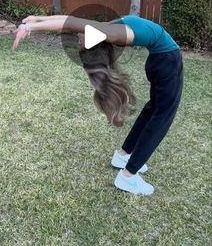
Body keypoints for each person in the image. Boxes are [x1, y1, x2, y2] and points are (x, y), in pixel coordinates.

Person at [12, 14, 183, 195]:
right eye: (82, 40)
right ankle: (128, 176)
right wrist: (30, 27)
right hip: (167, 61)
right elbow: (72, 23)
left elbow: (70, 21)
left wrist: (38, 19)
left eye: (80, 38)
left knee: (154, 110)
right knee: (162, 117)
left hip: (161, 60)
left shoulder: (106, 29)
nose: (80, 38)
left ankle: (124, 156)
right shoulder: (111, 33)